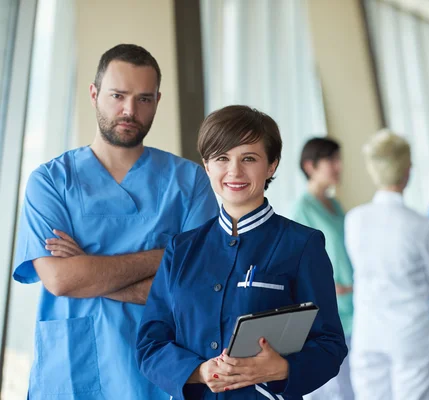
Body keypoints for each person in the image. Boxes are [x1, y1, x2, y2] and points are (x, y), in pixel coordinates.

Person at [13, 44, 218, 399]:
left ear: (157, 100)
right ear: (94, 94)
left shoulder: (189, 182)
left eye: (144, 99)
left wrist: (88, 274)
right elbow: (61, 280)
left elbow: (195, 291)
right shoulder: (50, 181)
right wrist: (168, 256)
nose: (129, 110)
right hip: (72, 372)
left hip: (158, 371)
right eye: (117, 95)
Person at [136, 105, 347, 400]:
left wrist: (281, 368)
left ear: (271, 165)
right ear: (207, 166)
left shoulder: (302, 244)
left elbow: (330, 344)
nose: (234, 171)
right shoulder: (181, 249)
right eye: (222, 158)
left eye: (249, 158)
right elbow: (150, 343)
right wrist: (198, 371)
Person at [345, 129, 429, 400]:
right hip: (410, 332)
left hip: (368, 330)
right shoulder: (422, 225)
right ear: (408, 171)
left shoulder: (354, 219)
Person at [290, 137, 354, 400]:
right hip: (331, 309)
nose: (338, 166)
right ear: (310, 166)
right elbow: (298, 264)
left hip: (353, 304)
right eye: (331, 160)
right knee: (337, 389)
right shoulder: (302, 209)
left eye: (339, 160)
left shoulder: (335, 205)